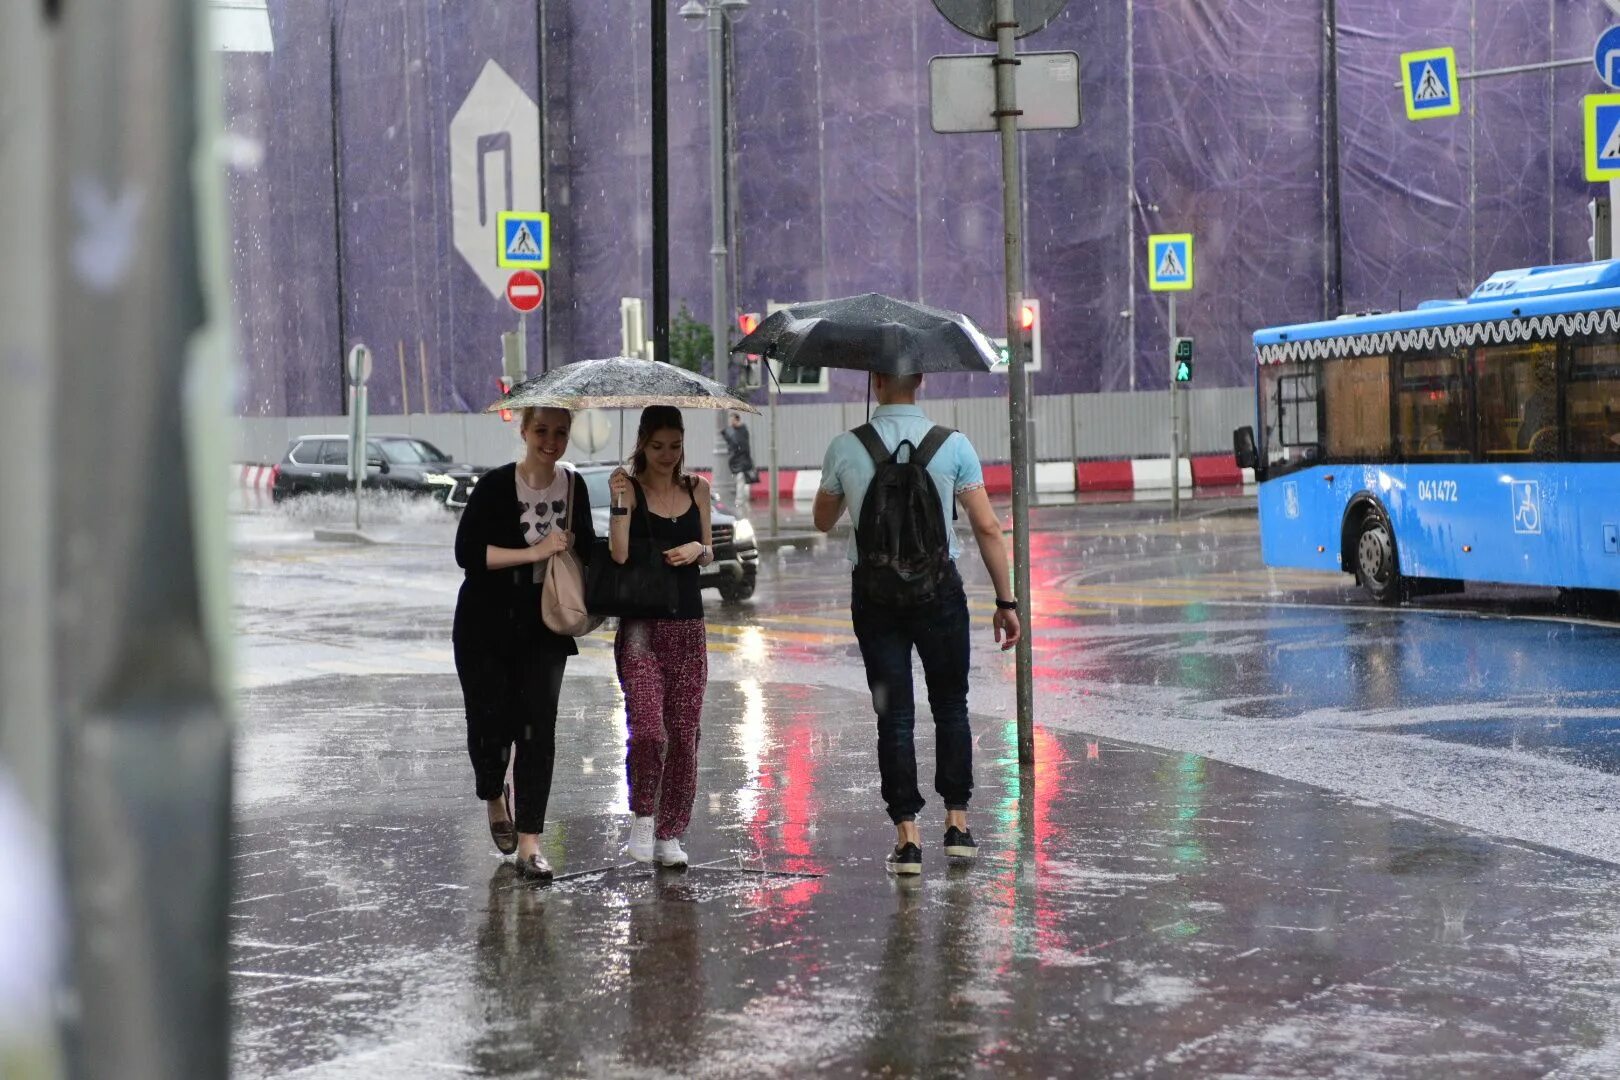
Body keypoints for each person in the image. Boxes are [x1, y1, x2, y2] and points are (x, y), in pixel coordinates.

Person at [813, 372, 1021, 876]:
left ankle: (907, 836)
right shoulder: (953, 445)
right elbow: (987, 526)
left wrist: (853, 480)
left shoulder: (846, 444)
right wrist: (1005, 600)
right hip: (939, 594)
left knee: (895, 716)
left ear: (876, 381)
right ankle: (957, 824)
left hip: (876, 597)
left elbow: (822, 520)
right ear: (920, 380)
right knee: (951, 706)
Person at [453, 406, 595, 882]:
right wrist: (536, 550)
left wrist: (604, 521)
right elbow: (467, 554)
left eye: (560, 432)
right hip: (484, 624)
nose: (551, 441)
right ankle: (494, 794)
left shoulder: (573, 488)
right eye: (541, 431)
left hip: (543, 628)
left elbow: (590, 553)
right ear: (524, 431)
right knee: (490, 727)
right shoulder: (495, 484)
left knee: (537, 730)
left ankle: (530, 843)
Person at [609, 406, 715, 868]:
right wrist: (618, 501)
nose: (667, 455)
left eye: (675, 445)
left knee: (684, 733)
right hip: (640, 629)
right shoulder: (627, 489)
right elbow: (616, 553)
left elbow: (709, 551)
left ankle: (671, 833)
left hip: (689, 627)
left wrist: (698, 549)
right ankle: (643, 816)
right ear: (641, 443)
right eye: (657, 446)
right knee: (650, 731)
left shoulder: (698, 489)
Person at [721, 411, 755, 512]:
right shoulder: (730, 431)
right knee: (740, 479)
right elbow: (730, 443)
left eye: (732, 419)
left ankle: (740, 500)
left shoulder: (742, 430)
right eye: (729, 419)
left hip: (742, 458)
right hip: (735, 459)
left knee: (740, 478)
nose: (730, 422)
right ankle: (743, 498)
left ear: (737, 419)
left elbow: (743, 445)